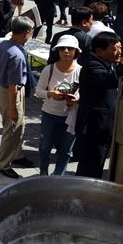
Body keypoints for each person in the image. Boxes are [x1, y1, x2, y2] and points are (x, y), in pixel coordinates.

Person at [74, 32, 123, 178]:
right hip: (94, 127)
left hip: (105, 126)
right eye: (114, 49)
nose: (119, 52)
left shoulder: (109, 64)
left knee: (97, 163)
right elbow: (108, 81)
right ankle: (84, 195)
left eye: (120, 48)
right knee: (90, 166)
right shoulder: (92, 65)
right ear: (99, 51)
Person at [0, 17, 36, 179]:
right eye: (31, 32)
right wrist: (13, 108)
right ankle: (2, 164)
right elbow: (13, 84)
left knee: (19, 127)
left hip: (5, 90)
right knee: (11, 129)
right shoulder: (17, 55)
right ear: (26, 32)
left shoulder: (5, 43)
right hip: (11, 93)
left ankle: (16, 154)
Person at [35, 35, 82, 176]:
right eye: (62, 48)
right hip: (50, 114)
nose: (66, 51)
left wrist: (76, 99)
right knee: (45, 147)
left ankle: (58, 176)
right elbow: (38, 91)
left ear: (76, 51)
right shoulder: (49, 69)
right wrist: (51, 94)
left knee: (66, 149)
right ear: (57, 51)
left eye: (70, 48)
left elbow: (85, 94)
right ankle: (43, 173)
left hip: (71, 116)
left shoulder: (81, 71)